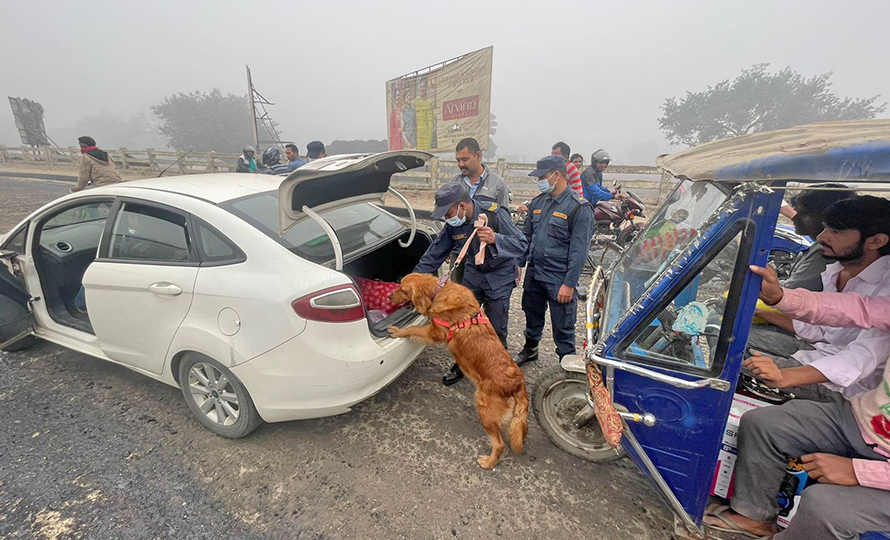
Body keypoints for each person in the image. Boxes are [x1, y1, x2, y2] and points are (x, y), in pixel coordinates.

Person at [703, 265, 890, 539]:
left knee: (825, 507)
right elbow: (856, 308)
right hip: (862, 423)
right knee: (765, 424)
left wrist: (859, 471)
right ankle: (754, 516)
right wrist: (779, 297)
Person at [748, 196, 890, 402]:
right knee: (725, 335)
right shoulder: (838, 270)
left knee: (733, 359)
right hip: (818, 352)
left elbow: (860, 359)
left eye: (837, 232)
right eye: (825, 228)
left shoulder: (885, 287)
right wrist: (764, 311)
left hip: (847, 386)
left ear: (876, 241)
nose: (821, 237)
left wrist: (785, 376)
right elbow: (822, 330)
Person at [413, 183, 528, 385]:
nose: (447, 219)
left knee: (495, 327)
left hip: (499, 278)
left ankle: (497, 370)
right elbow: (435, 253)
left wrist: (496, 239)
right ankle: (462, 364)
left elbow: (521, 245)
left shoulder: (494, 214)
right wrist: (414, 280)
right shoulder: (453, 225)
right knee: (462, 324)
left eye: (448, 213)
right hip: (473, 276)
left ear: (462, 206)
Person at [516, 155, 594, 363]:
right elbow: (527, 236)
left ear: (556, 175)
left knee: (563, 325)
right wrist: (519, 264)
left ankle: (566, 365)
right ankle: (530, 349)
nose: (539, 181)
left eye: (542, 176)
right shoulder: (538, 202)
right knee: (532, 314)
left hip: (559, 277)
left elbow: (579, 251)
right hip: (535, 273)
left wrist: (569, 284)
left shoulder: (578, 207)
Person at [782, 184, 856, 291]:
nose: (794, 218)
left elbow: (790, 292)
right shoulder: (820, 245)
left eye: (803, 213)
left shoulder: (826, 249)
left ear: (828, 216)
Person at [450, 138, 510, 208]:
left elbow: (503, 216)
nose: (461, 164)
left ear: (478, 156)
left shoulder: (498, 185)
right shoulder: (453, 184)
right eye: (458, 160)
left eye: (464, 160)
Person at [414, 77, 434, 150]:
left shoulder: (429, 103)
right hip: (417, 136)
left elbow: (430, 123)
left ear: (427, 88)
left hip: (426, 136)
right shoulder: (416, 101)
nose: (422, 89)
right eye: (421, 87)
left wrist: (429, 139)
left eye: (424, 87)